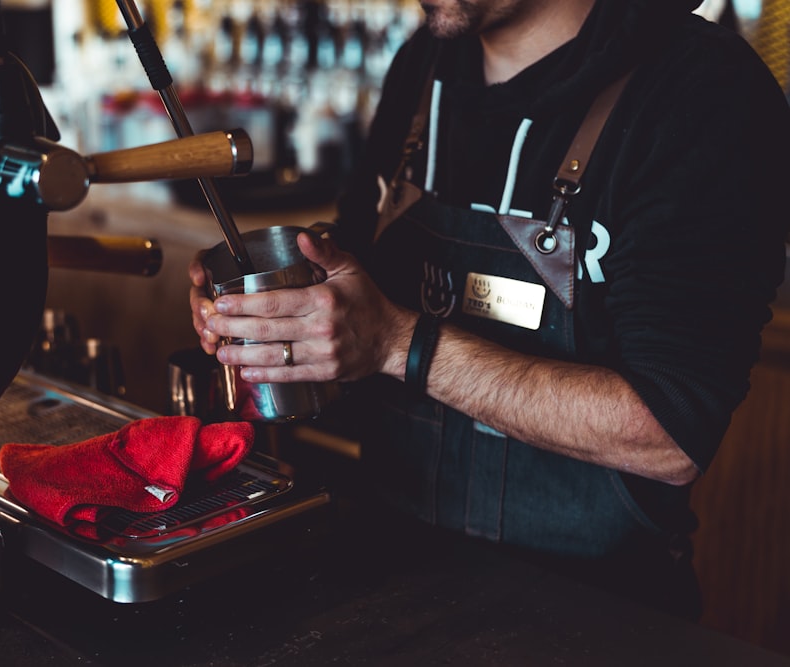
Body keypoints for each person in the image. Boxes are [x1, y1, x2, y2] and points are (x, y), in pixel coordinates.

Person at [188, 0, 790, 619]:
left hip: (593, 617)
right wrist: (290, 303)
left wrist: (400, 345)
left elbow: (671, 435)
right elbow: (360, 272)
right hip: (384, 582)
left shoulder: (702, 91)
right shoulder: (424, 65)